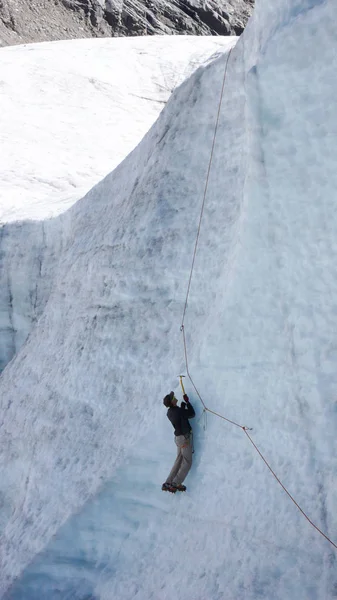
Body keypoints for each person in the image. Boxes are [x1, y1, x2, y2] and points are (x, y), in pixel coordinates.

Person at [162, 390, 195, 493]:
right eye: (173, 397)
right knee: (187, 462)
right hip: (184, 439)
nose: (174, 397)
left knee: (179, 461)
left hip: (178, 439)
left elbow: (180, 416)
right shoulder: (179, 411)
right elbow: (192, 414)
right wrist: (187, 402)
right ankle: (175, 483)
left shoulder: (169, 412)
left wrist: (181, 408)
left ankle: (168, 482)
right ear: (172, 402)